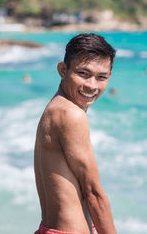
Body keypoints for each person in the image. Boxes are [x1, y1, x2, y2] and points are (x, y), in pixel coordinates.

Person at [34, 34, 117, 234]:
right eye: (83, 73)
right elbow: (93, 194)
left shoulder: (55, 108)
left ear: (109, 77)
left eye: (101, 77)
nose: (92, 85)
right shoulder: (71, 115)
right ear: (63, 70)